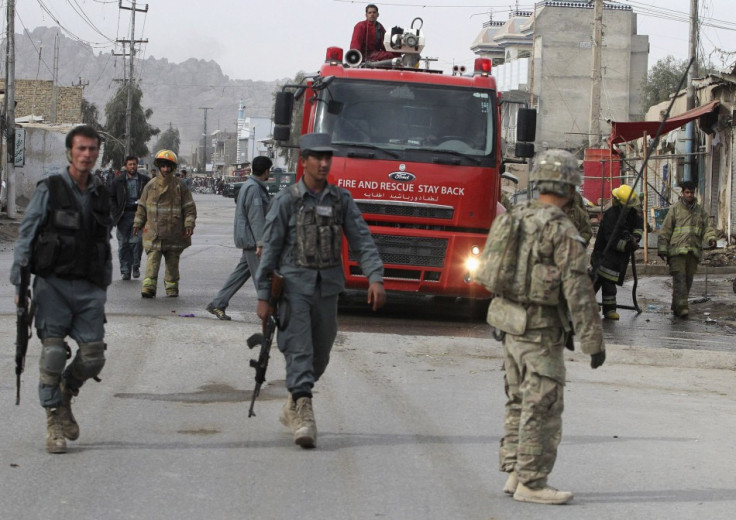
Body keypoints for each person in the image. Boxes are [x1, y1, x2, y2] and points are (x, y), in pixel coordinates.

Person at [480, 149, 605, 504]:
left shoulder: (517, 215)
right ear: (568, 184)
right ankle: (533, 484)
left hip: (509, 322)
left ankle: (516, 472)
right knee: (543, 405)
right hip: (541, 330)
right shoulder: (561, 229)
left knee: (518, 399)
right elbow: (579, 290)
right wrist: (593, 342)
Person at [256, 133, 386, 449]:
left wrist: (375, 277)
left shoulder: (341, 200)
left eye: (328, 157)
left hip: (327, 290)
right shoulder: (286, 201)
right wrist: (263, 295)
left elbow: (361, 240)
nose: (324, 162)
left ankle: (293, 401)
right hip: (293, 289)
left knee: (322, 352)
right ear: (304, 160)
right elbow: (270, 247)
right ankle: (303, 412)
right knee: (299, 348)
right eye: (317, 157)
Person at [10, 125, 112, 454]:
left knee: (94, 357)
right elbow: (27, 233)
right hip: (52, 285)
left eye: (92, 149)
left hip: (89, 287)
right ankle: (53, 417)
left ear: (97, 153)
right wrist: (20, 282)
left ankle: (68, 389)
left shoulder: (101, 193)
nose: (86, 155)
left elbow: (103, 241)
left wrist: (103, 286)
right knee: (53, 353)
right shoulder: (50, 188)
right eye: (81, 149)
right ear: (70, 151)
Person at [206, 156, 273, 320]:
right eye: (269, 170)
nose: (269, 173)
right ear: (265, 171)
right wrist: (261, 243)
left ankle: (218, 303)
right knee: (262, 277)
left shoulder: (251, 186)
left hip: (250, 240)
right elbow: (256, 217)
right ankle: (269, 313)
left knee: (240, 274)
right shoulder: (254, 189)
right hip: (252, 241)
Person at [133, 149, 197, 298]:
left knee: (172, 263)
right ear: (159, 167)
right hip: (154, 232)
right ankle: (148, 287)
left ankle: (172, 288)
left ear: (173, 168)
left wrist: (189, 224)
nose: (166, 169)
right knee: (152, 261)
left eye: (169, 166)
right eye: (163, 166)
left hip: (174, 233)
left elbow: (189, 208)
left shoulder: (180, 187)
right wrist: (137, 224)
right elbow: (142, 207)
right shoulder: (150, 186)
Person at [657, 180, 716, 317]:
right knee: (680, 279)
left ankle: (676, 304)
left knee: (688, 280)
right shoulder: (675, 209)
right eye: (687, 192)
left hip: (693, 251)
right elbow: (665, 230)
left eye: (691, 192)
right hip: (676, 251)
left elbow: (707, 228)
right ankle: (682, 307)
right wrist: (662, 249)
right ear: (682, 193)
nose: (689, 195)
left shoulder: (700, 211)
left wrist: (711, 238)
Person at [590, 184, 643, 319]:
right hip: (604, 253)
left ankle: (608, 310)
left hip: (617, 257)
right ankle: (588, 304)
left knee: (608, 281)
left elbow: (638, 226)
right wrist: (627, 246)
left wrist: (636, 238)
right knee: (597, 279)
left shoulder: (631, 214)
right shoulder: (611, 215)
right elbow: (611, 238)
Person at [111, 155, 150, 280]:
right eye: (130, 164)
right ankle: (125, 270)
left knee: (137, 242)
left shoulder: (145, 181)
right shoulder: (118, 181)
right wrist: (114, 211)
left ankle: (135, 266)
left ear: (137, 165)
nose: (132, 167)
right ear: (126, 166)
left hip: (139, 215)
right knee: (123, 244)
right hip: (123, 217)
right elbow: (110, 198)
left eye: (134, 164)